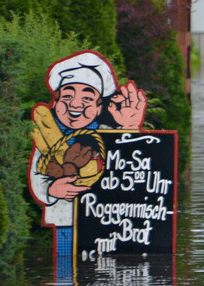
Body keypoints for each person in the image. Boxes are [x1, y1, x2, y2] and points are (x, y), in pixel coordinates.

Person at [29, 51, 147, 258]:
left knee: (101, 271)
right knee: (66, 266)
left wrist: (130, 126)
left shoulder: (107, 134)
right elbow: (37, 175)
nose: (75, 104)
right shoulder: (47, 138)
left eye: (87, 97)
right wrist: (51, 189)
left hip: (106, 220)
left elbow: (131, 165)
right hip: (65, 217)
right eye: (67, 95)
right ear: (55, 103)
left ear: (99, 106)